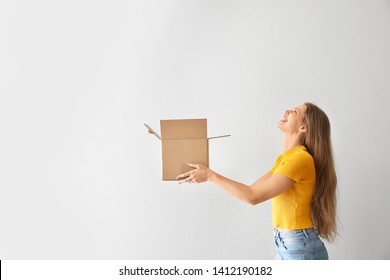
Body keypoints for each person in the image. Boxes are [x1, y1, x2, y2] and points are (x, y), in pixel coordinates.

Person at [176, 102, 338, 260]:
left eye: (295, 111)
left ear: (303, 128)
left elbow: (253, 197)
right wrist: (208, 175)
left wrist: (210, 176)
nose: (286, 111)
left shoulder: (300, 160)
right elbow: (251, 189)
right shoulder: (286, 159)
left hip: (300, 248)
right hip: (290, 245)